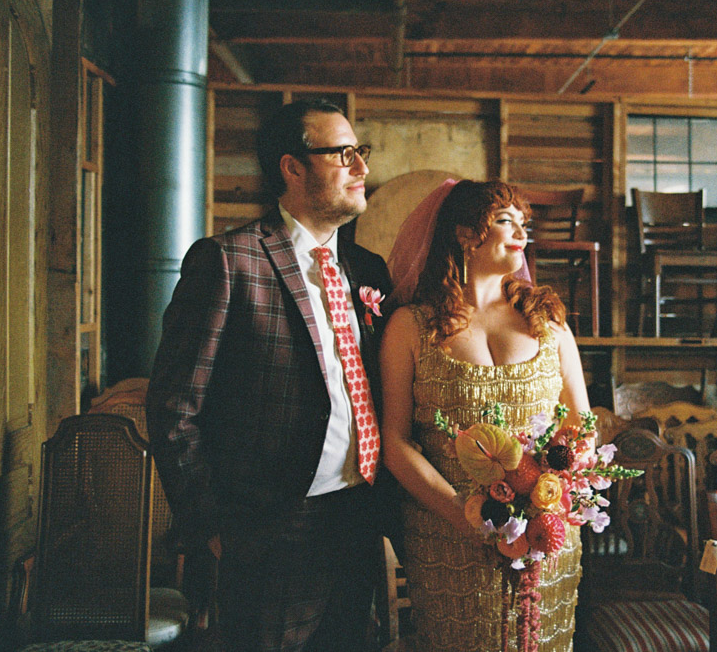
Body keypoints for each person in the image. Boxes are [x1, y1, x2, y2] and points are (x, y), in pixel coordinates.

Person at [146, 99, 392, 652]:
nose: (361, 167)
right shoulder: (228, 261)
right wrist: (213, 528)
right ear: (292, 167)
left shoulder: (368, 269)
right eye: (343, 154)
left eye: (361, 152)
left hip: (357, 517)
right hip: (268, 529)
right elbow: (174, 408)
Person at [379, 179, 591, 651]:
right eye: (504, 220)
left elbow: (580, 424)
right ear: (463, 233)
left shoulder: (548, 322)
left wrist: (551, 498)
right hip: (446, 536)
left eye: (523, 222)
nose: (521, 233)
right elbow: (394, 442)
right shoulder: (410, 326)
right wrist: (463, 515)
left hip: (544, 532)